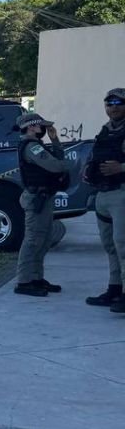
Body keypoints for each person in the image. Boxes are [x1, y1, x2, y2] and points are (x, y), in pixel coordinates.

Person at [13, 112, 69, 297]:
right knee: (32, 240)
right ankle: (24, 281)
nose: (43, 129)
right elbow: (56, 166)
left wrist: (55, 140)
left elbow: (57, 161)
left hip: (44, 197)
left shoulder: (37, 146)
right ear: (31, 127)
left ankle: (36, 278)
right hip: (36, 198)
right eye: (41, 126)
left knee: (43, 240)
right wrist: (56, 149)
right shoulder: (32, 147)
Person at [84, 87, 125, 311]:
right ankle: (115, 288)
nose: (113, 107)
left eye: (119, 102)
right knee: (110, 246)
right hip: (103, 194)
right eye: (109, 103)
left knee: (123, 245)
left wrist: (121, 167)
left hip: (121, 193)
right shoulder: (106, 130)